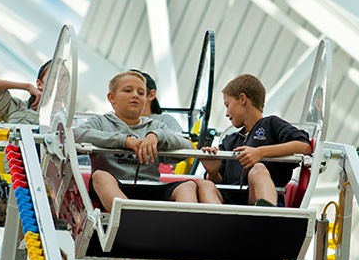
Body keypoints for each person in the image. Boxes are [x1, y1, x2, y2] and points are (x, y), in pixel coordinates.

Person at [73, 70, 220, 212]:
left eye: (141, 93)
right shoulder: (100, 121)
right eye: (128, 91)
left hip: (149, 186)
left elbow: (186, 145)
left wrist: (155, 136)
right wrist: (124, 141)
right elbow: (76, 135)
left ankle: (186, 229)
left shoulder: (155, 126)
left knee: (187, 186)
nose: (135, 95)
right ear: (112, 98)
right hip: (114, 185)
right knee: (100, 176)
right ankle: (130, 220)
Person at [200, 73, 312, 206]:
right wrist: (213, 172)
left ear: (242, 99)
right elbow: (219, 182)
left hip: (255, 200)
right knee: (205, 185)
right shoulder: (229, 140)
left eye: (227, 104)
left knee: (258, 169)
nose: (226, 113)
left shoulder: (271, 124)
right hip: (229, 203)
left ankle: (265, 215)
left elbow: (305, 146)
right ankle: (219, 220)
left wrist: (260, 152)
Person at [0, 60, 51, 124]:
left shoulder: (60, 118)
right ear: (39, 84)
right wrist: (27, 87)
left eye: (62, 78)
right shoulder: (17, 107)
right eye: (54, 75)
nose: (59, 82)